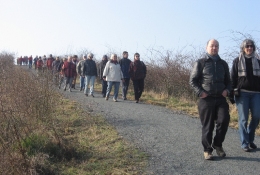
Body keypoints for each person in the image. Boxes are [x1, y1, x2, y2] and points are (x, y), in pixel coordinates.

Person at [189, 39, 231, 160]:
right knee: (207, 126)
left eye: (216, 46)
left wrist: (227, 91)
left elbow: (229, 82)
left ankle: (217, 144)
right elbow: (192, 81)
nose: (214, 48)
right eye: (212, 46)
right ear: (206, 47)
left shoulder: (224, 64)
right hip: (206, 99)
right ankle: (207, 150)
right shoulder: (200, 63)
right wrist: (200, 92)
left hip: (221, 99)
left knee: (224, 121)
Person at [230, 39, 260, 152]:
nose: (249, 48)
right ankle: (244, 143)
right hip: (242, 93)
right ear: (243, 48)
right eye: (247, 46)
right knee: (243, 119)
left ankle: (250, 139)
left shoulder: (258, 61)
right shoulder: (237, 61)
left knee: (257, 117)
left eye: (251, 46)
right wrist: (231, 94)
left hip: (256, 94)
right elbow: (232, 78)